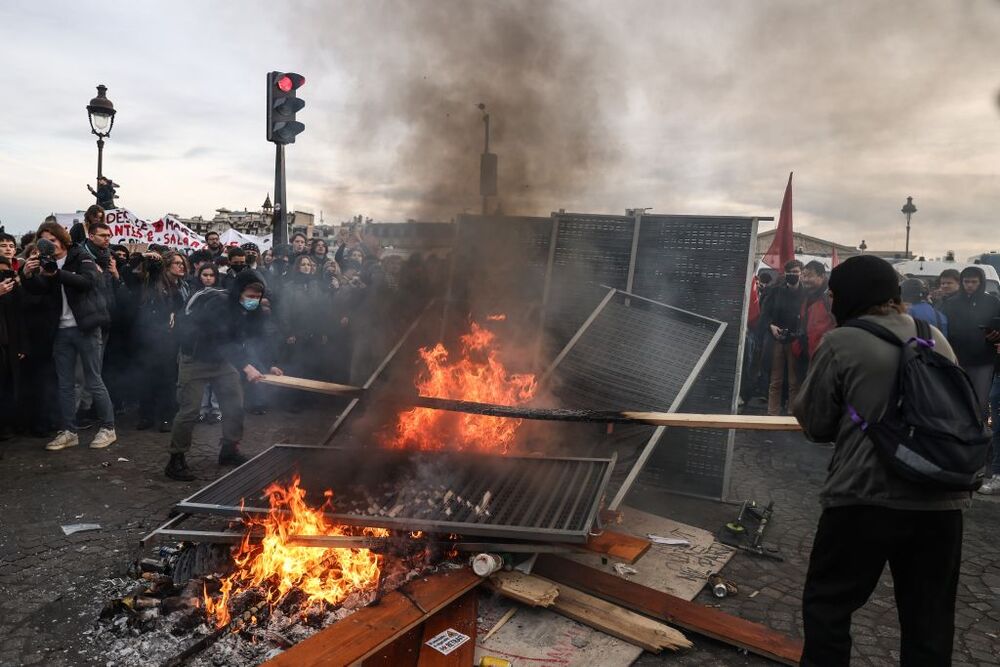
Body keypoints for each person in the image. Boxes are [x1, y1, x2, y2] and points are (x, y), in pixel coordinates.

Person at [793, 255, 967, 667]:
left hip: (863, 497)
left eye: (834, 293)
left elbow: (816, 424)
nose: (831, 301)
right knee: (930, 621)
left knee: (829, 607)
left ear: (850, 296)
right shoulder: (934, 337)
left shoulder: (841, 341)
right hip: (940, 501)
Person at [165, 271, 283, 480]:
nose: (253, 301)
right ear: (239, 291)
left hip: (223, 363)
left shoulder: (251, 313)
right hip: (195, 359)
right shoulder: (219, 306)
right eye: (250, 295)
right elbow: (219, 341)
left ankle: (229, 449)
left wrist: (267, 365)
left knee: (234, 405)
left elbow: (253, 342)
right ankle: (176, 459)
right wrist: (246, 367)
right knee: (189, 410)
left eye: (258, 297)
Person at [20, 221, 116, 451]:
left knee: (93, 380)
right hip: (61, 330)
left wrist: (57, 272)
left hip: (86, 327)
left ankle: (108, 428)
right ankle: (68, 431)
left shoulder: (79, 255)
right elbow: (39, 289)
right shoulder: (45, 260)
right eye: (44, 242)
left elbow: (88, 282)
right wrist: (28, 275)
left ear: (62, 239)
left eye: (52, 241)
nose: (49, 246)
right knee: (65, 384)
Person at [135, 251, 189, 431]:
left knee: (168, 378)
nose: (181, 266)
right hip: (152, 337)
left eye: (182, 263)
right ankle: (147, 416)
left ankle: (167, 417)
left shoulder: (184, 286)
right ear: (166, 266)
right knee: (148, 377)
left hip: (172, 339)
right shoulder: (155, 284)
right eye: (176, 263)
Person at [939, 265, 1000, 412]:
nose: (970, 285)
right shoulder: (951, 303)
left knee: (980, 402)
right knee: (957, 399)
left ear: (981, 282)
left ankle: (980, 431)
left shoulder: (993, 302)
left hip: (983, 360)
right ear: (962, 282)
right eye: (966, 282)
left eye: (974, 282)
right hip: (956, 359)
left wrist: (996, 334)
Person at [761, 259, 804, 416]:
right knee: (776, 379)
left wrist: (799, 333)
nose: (792, 275)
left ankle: (793, 412)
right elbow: (765, 314)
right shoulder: (775, 291)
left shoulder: (806, 294)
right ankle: (772, 412)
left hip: (795, 341)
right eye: (789, 272)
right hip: (777, 339)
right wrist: (771, 326)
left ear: (801, 273)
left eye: (795, 272)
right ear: (785, 274)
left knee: (794, 381)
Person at [0, 255, 27, 440]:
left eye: (5, 270)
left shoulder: (13, 289)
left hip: (9, 345)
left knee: (9, 387)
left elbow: (20, 317)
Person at [793, 261, 836, 376]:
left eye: (810, 276)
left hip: (824, 358)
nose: (805, 280)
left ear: (822, 276)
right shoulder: (805, 296)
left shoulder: (831, 297)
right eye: (804, 276)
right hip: (806, 354)